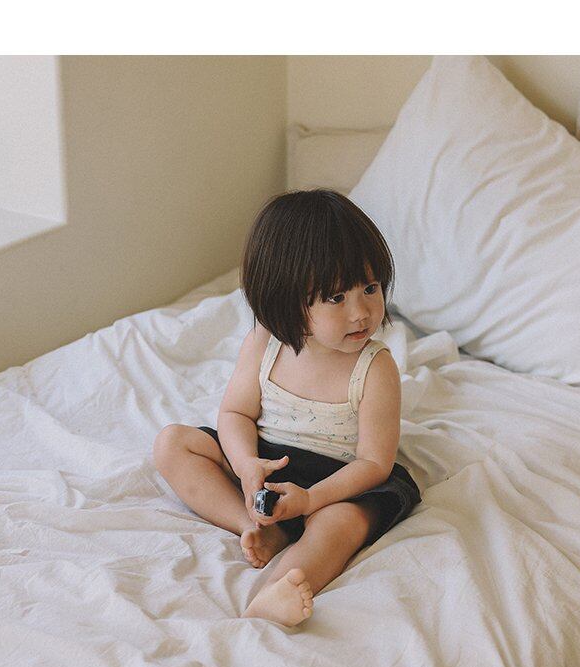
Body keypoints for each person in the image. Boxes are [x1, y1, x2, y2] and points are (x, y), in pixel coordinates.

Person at [153, 189, 421, 627]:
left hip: (338, 480)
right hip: (267, 463)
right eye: (336, 297)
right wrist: (246, 465)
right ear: (287, 299)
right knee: (172, 444)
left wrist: (313, 499)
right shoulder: (265, 343)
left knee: (340, 526)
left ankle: (280, 588)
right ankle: (255, 526)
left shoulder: (375, 367)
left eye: (370, 288)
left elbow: (375, 463)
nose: (361, 312)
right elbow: (235, 415)